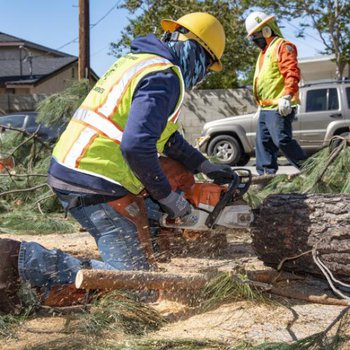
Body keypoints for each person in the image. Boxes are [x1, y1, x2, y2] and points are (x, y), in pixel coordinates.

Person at [0, 12, 237, 313]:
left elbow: (166, 137)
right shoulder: (164, 76)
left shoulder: (139, 63)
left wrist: (205, 166)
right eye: (206, 67)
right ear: (197, 52)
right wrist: (170, 200)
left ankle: (56, 286)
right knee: (138, 287)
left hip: (76, 168)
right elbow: (137, 146)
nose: (202, 76)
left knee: (148, 214)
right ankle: (21, 257)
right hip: (93, 180)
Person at [245, 11, 307, 175]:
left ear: (266, 30)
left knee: (282, 139)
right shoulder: (264, 53)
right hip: (266, 108)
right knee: (263, 144)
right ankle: (265, 178)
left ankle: (311, 170)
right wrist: (260, 105)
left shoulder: (283, 46)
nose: (253, 40)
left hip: (280, 106)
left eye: (255, 35)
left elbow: (291, 72)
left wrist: (287, 95)